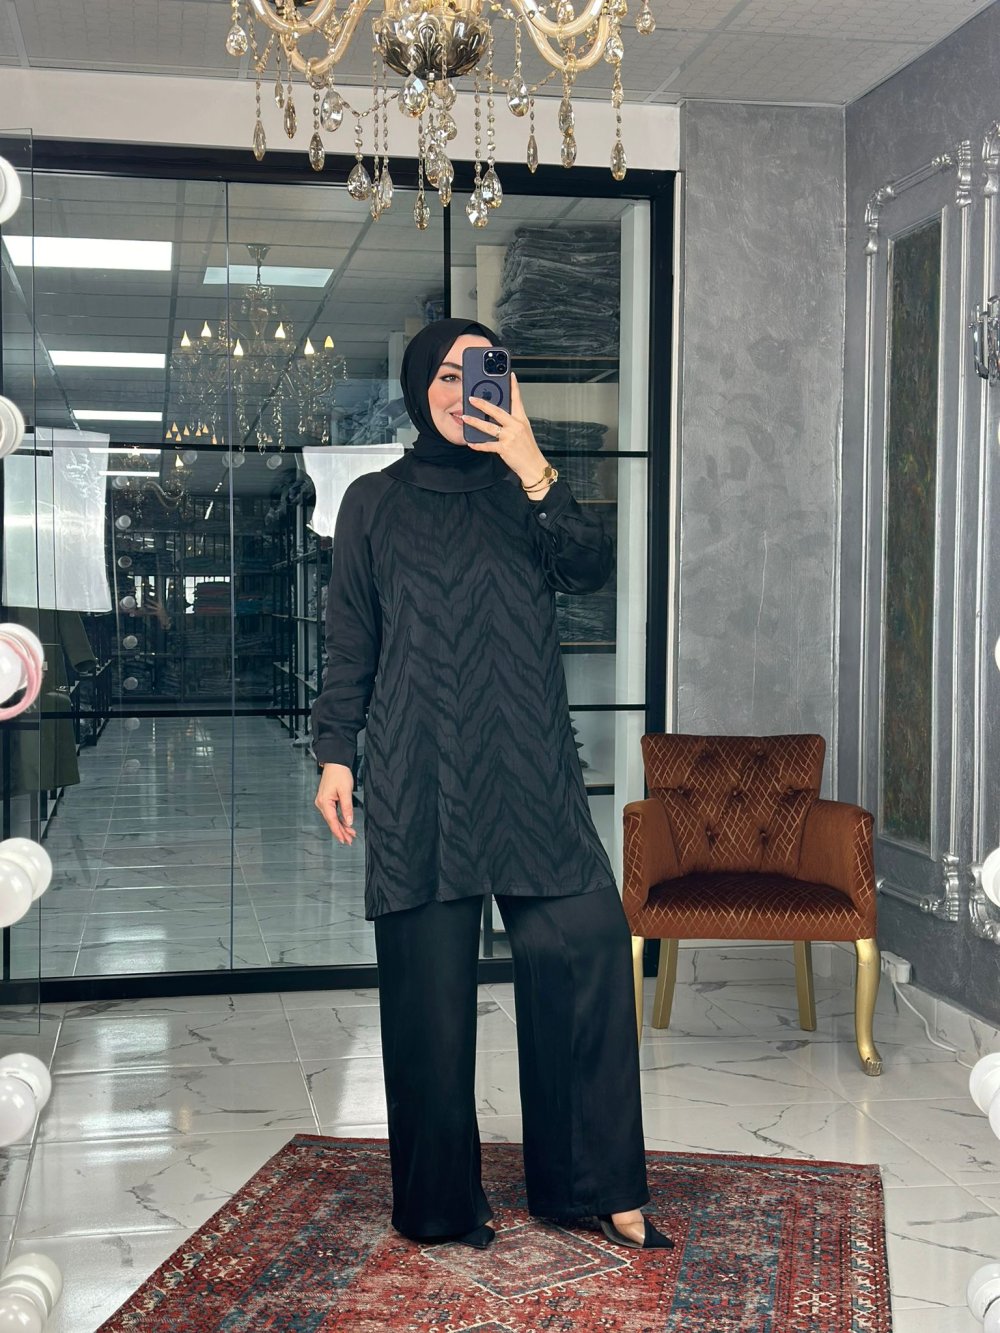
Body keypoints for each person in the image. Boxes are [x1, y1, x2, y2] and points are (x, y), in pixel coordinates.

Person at [312, 318, 669, 1252]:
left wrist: (534, 463)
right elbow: (351, 638)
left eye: (475, 370)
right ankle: (439, 1201)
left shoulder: (526, 488)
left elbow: (588, 569)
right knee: (427, 998)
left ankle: (593, 1183)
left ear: (502, 383)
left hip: (529, 767)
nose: (455, 387)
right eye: (440, 373)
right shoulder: (372, 502)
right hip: (418, 769)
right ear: (414, 387)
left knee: (587, 951)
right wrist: (336, 752)